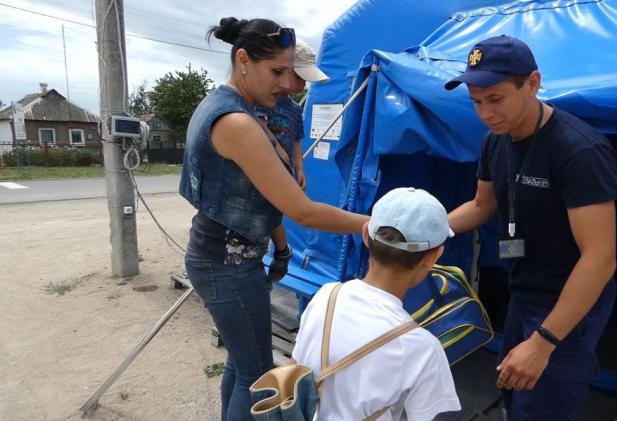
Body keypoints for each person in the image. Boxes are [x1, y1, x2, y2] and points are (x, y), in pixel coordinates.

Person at [179, 17, 368, 421]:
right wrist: (370, 223)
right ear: (243, 59)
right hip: (227, 263)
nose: (286, 84)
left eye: (288, 72)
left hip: (221, 254)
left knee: (241, 361)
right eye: (277, 72)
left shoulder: (227, 104)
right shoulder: (239, 123)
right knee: (258, 374)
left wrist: (280, 247)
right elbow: (301, 210)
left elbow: (262, 199)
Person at [444, 35, 617, 420]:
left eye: (495, 99)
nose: (485, 113)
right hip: (524, 290)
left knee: (541, 405)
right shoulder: (496, 142)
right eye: (476, 102)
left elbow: (600, 258)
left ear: (532, 83)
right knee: (515, 391)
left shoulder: (577, 149)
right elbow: (480, 206)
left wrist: (543, 342)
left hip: (568, 305)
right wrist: (420, 230)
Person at [291, 187, 462, 420]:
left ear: (365, 236)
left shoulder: (326, 296)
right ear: (433, 257)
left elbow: (293, 373)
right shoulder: (422, 348)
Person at [257, 39, 331, 287]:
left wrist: (299, 168)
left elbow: (297, 140)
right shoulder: (263, 101)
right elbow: (263, 131)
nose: (302, 85)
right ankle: (274, 255)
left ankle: (280, 252)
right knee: (265, 213)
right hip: (266, 167)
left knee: (275, 213)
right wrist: (279, 155)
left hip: (284, 169)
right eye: (299, 78)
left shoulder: (293, 109)